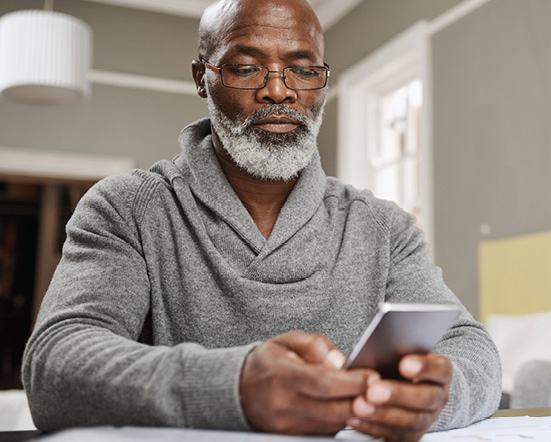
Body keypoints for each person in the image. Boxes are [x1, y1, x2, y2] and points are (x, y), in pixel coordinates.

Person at [20, 0, 502, 440]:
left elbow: (471, 348)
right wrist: (233, 386)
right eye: (247, 67)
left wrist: (440, 395)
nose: (279, 91)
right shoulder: (128, 207)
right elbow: (55, 364)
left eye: (303, 69)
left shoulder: (384, 226)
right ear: (201, 77)